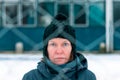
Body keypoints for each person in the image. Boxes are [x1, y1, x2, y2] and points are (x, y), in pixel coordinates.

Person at [22, 13, 96, 80]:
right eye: (53, 44)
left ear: (72, 48)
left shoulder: (87, 77)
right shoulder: (31, 77)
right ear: (46, 49)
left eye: (65, 44)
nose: (59, 51)